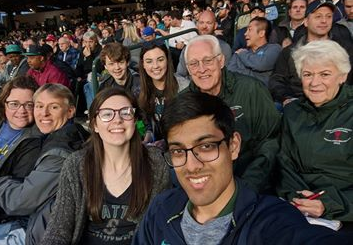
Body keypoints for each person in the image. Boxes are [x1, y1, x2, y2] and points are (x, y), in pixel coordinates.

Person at [133, 92, 350, 244]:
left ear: (234, 146)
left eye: (207, 146)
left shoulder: (271, 222)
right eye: (179, 151)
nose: (192, 166)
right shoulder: (161, 209)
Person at [40, 87, 170, 244]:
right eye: (107, 114)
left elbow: (161, 227)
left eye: (125, 113)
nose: (117, 120)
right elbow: (58, 229)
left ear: (134, 121)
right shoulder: (76, 165)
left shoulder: (155, 163)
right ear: (94, 125)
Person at [0, 83, 89, 244]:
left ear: (70, 111)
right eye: (39, 106)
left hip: (36, 233)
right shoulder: (71, 132)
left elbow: (20, 201)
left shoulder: (60, 152)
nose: (44, 113)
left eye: (54, 107)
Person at [182, 35, 280, 193]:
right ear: (188, 69)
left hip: (251, 184)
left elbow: (271, 141)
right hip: (204, 187)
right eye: (194, 64)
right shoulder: (183, 102)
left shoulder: (251, 90)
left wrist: (248, 185)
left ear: (221, 61)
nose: (201, 69)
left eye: (208, 60)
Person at [277, 40, 353, 226]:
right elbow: (284, 163)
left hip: (343, 211)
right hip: (297, 206)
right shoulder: (292, 112)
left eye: (325, 74)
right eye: (308, 74)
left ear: (342, 76)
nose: (314, 82)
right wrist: (296, 197)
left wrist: (329, 205)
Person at [0, 76, 40, 243]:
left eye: (29, 105)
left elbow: (15, 195)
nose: (21, 111)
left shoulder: (34, 140)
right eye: (14, 104)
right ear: (4, 103)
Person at [138, 42, 189, 144]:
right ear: (143, 64)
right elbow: (150, 126)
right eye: (149, 61)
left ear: (167, 60)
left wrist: (166, 142)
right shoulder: (141, 91)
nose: (155, 66)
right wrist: (148, 138)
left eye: (160, 60)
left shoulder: (184, 87)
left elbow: (189, 128)